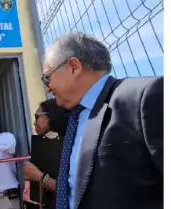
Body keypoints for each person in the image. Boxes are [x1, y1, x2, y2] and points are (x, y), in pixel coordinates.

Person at [41, 32, 163, 209]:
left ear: (74, 67)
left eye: (47, 77)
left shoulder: (146, 96)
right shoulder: (72, 117)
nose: (47, 87)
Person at [23, 99, 70, 209]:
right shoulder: (42, 144)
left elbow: (72, 190)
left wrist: (39, 177)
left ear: (52, 116)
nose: (34, 122)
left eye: (37, 117)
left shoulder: (69, 146)